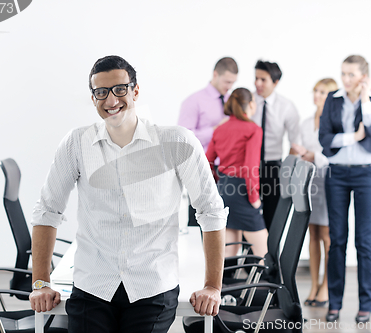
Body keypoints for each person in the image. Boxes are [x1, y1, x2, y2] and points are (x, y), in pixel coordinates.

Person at [29, 55, 228, 333]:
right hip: (93, 285)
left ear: (135, 90)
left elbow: (211, 212)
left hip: (152, 287)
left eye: (120, 89)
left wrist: (212, 286)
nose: (111, 100)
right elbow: (47, 210)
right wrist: (41, 282)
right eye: (101, 92)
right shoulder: (77, 143)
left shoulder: (176, 142)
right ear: (93, 97)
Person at [319, 55, 371, 324]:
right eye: (343, 74)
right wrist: (352, 137)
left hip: (366, 174)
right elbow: (324, 139)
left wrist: (366, 98)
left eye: (351, 75)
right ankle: (334, 304)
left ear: (363, 77)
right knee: (338, 241)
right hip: (337, 175)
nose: (345, 80)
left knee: (364, 241)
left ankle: (365, 305)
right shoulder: (333, 99)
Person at [291, 78, 338, 308]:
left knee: (328, 237)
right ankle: (313, 285)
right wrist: (298, 153)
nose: (317, 95)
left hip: (329, 181)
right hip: (310, 182)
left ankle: (326, 287)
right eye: (316, 91)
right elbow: (297, 148)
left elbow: (336, 156)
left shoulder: (336, 123)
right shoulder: (306, 122)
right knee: (313, 235)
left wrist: (314, 156)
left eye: (323, 92)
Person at [206, 88, 268, 259]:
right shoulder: (253, 129)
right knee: (265, 253)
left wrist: (221, 182)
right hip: (242, 191)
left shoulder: (220, 129)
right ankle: (265, 286)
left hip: (223, 190)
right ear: (249, 105)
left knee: (229, 252)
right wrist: (254, 197)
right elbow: (250, 168)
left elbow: (207, 162)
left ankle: (223, 286)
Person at [178, 57, 238, 226]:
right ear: (215, 74)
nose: (229, 87)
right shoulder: (193, 101)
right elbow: (183, 139)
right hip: (202, 167)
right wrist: (215, 130)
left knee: (225, 219)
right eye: (227, 81)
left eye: (233, 82)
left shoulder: (232, 101)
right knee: (200, 216)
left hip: (228, 170)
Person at [250, 60, 300, 230]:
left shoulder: (286, 107)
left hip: (273, 167)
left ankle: (269, 256)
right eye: (256, 78)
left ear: (275, 82)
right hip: (249, 166)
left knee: (273, 217)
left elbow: (295, 142)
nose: (258, 83)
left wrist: (288, 171)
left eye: (263, 79)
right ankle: (249, 256)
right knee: (249, 216)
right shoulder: (247, 101)